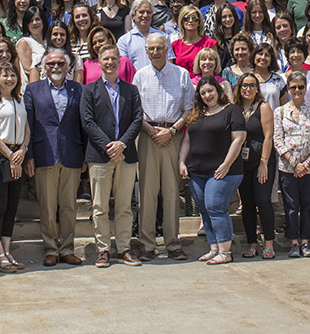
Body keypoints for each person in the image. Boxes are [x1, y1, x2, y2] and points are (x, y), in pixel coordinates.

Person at [80, 45, 144, 268]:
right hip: (100, 156)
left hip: (126, 156)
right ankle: (103, 249)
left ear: (119, 61)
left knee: (125, 205)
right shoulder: (89, 91)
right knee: (100, 206)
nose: (110, 62)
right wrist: (110, 146)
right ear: (99, 62)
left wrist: (122, 144)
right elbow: (87, 122)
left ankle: (124, 248)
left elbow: (137, 120)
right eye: (105, 59)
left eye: (113, 58)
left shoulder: (131, 90)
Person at [132, 33, 194, 261]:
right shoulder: (140, 76)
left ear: (167, 49)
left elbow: (188, 109)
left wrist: (173, 131)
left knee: (170, 192)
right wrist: (150, 131)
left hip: (172, 135)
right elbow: (135, 112)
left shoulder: (181, 75)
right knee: (147, 193)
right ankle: (147, 245)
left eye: (159, 48)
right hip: (147, 136)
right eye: (151, 49)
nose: (155, 52)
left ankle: (173, 243)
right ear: (146, 51)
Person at [24, 49, 86, 267]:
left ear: (68, 67)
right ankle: (50, 248)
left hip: (72, 154)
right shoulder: (32, 90)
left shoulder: (79, 90)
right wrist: (28, 155)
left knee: (69, 205)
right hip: (44, 154)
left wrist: (85, 155)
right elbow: (29, 124)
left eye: (61, 62)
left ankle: (67, 249)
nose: (56, 67)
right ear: (43, 67)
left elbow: (84, 125)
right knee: (48, 206)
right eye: (51, 63)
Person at [180, 76, 247, 265]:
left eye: (210, 91)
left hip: (224, 171)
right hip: (197, 172)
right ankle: (214, 248)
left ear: (218, 91)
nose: (207, 95)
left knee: (215, 207)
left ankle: (225, 252)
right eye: (203, 93)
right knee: (204, 209)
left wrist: (226, 164)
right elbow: (187, 140)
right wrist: (181, 162)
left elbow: (239, 138)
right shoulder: (196, 116)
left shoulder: (231, 110)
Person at [0, 62, 31, 273]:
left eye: (12, 75)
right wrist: (10, 155)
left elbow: (27, 128)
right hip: (0, 155)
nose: (9, 79)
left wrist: (23, 150)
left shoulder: (19, 100)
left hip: (18, 154)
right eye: (5, 76)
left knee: (12, 205)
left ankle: (7, 249)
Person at [274, 72, 310, 258]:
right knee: (291, 205)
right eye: (293, 87)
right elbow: (278, 140)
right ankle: (293, 242)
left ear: (306, 89)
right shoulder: (279, 112)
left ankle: (306, 242)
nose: (297, 90)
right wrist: (294, 163)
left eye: (301, 87)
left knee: (308, 205)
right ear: (288, 89)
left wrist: (306, 162)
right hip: (288, 167)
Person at [233, 73, 276, 259]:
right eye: (244, 85)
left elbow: (268, 136)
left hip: (262, 160)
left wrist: (264, 163)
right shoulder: (235, 108)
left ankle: (269, 243)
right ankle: (252, 243)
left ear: (257, 88)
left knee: (263, 200)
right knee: (247, 203)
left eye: (251, 85)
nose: (247, 89)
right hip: (243, 163)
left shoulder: (263, 107)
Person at [118, 0, 176, 71]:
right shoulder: (124, 41)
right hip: (134, 81)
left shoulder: (163, 37)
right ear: (133, 16)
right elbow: (123, 67)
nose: (145, 15)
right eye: (141, 12)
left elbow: (169, 61)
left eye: (148, 12)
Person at [171, 5, 217, 77]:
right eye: (186, 18)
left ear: (199, 22)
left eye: (194, 18)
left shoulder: (209, 43)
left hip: (202, 84)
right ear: (182, 21)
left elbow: (215, 69)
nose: (190, 20)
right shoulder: (174, 45)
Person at [17, 6, 50, 84]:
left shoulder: (49, 42)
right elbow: (28, 70)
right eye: (31, 21)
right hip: (32, 86)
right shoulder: (24, 42)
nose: (34, 23)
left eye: (37, 19)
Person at [283, 39, 310, 104]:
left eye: (299, 51)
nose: (296, 55)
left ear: (304, 55)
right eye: (292, 52)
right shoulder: (281, 78)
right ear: (288, 56)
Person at [251, 43, 287, 110]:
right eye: (260, 54)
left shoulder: (278, 80)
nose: (263, 57)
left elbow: (284, 107)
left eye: (267, 55)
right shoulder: (247, 79)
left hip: (274, 119)